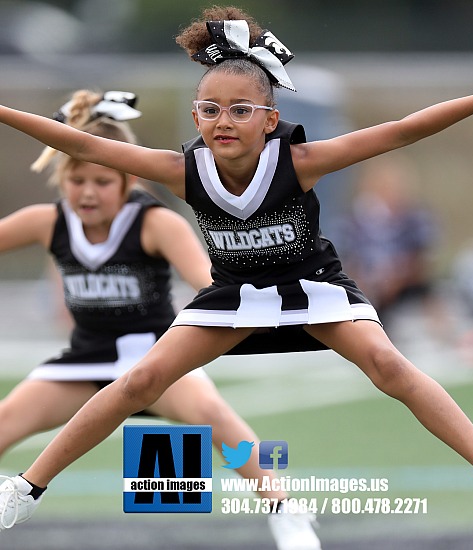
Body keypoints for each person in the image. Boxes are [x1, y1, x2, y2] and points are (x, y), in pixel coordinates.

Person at [0, 5, 473, 535]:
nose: (224, 121)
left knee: (388, 365)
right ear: (195, 116)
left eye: (241, 109)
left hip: (313, 287)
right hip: (235, 296)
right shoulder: (181, 171)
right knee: (140, 380)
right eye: (210, 109)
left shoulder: (299, 162)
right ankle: (26, 490)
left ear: (271, 118)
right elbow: (76, 142)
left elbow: (401, 130)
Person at [0, 88, 321, 549]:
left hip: (154, 362)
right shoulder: (45, 221)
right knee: (6, 418)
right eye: (77, 180)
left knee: (213, 416)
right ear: (60, 178)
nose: (88, 192)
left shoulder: (154, 223)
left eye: (103, 180)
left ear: (129, 180)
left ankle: (284, 509)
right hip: (86, 360)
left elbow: (211, 283)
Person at [334, 156, 439, 325]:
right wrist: (364, 282)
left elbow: (423, 260)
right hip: (363, 290)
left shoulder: (416, 219)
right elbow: (344, 260)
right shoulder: (353, 221)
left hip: (407, 291)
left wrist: (395, 279)